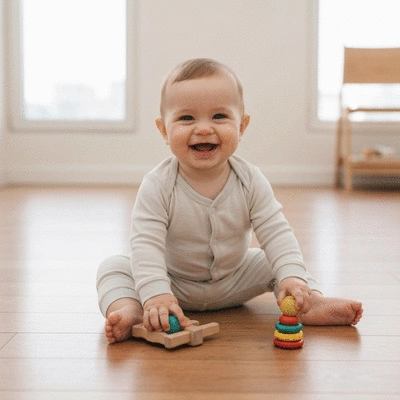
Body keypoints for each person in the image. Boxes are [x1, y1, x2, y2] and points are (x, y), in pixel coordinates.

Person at [96, 58, 363, 344]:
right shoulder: (157, 185)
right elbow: (146, 243)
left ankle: (308, 301)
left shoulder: (250, 180)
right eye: (187, 118)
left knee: (277, 262)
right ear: (164, 130)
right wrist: (156, 294)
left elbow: (275, 232)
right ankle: (130, 308)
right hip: (174, 283)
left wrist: (291, 278)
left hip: (235, 279)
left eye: (219, 117)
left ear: (242, 126)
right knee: (115, 266)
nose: (203, 128)